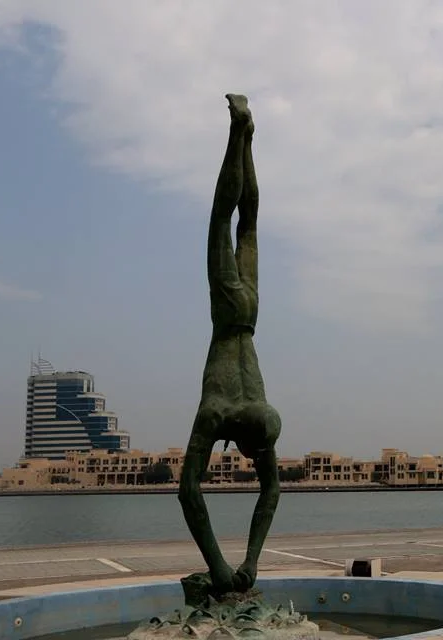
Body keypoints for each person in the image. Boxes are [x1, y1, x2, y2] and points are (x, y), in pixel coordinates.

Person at [178, 94, 281, 597]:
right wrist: (244, 561)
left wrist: (226, 564)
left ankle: (243, 133)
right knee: (235, 223)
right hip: (237, 318)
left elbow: (188, 491)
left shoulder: (225, 414)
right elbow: (269, 491)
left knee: (240, 223)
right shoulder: (225, 415)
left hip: (245, 315)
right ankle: (242, 135)